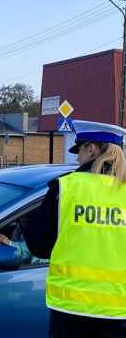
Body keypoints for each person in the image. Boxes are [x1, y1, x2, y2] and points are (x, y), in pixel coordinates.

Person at [23, 120, 126, 337]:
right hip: (120, 313)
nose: (77, 158)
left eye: (79, 150)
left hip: (70, 311)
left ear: (92, 149)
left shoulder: (66, 187)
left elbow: (39, 246)